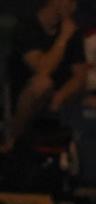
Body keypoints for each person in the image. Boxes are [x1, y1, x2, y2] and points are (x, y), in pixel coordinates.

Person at [5, 0, 86, 149]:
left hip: (59, 98)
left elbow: (80, 76)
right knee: (42, 84)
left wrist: (60, 95)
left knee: (85, 94)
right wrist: (63, 38)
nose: (73, 7)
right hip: (25, 99)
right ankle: (12, 139)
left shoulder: (72, 31)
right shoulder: (27, 27)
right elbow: (43, 69)